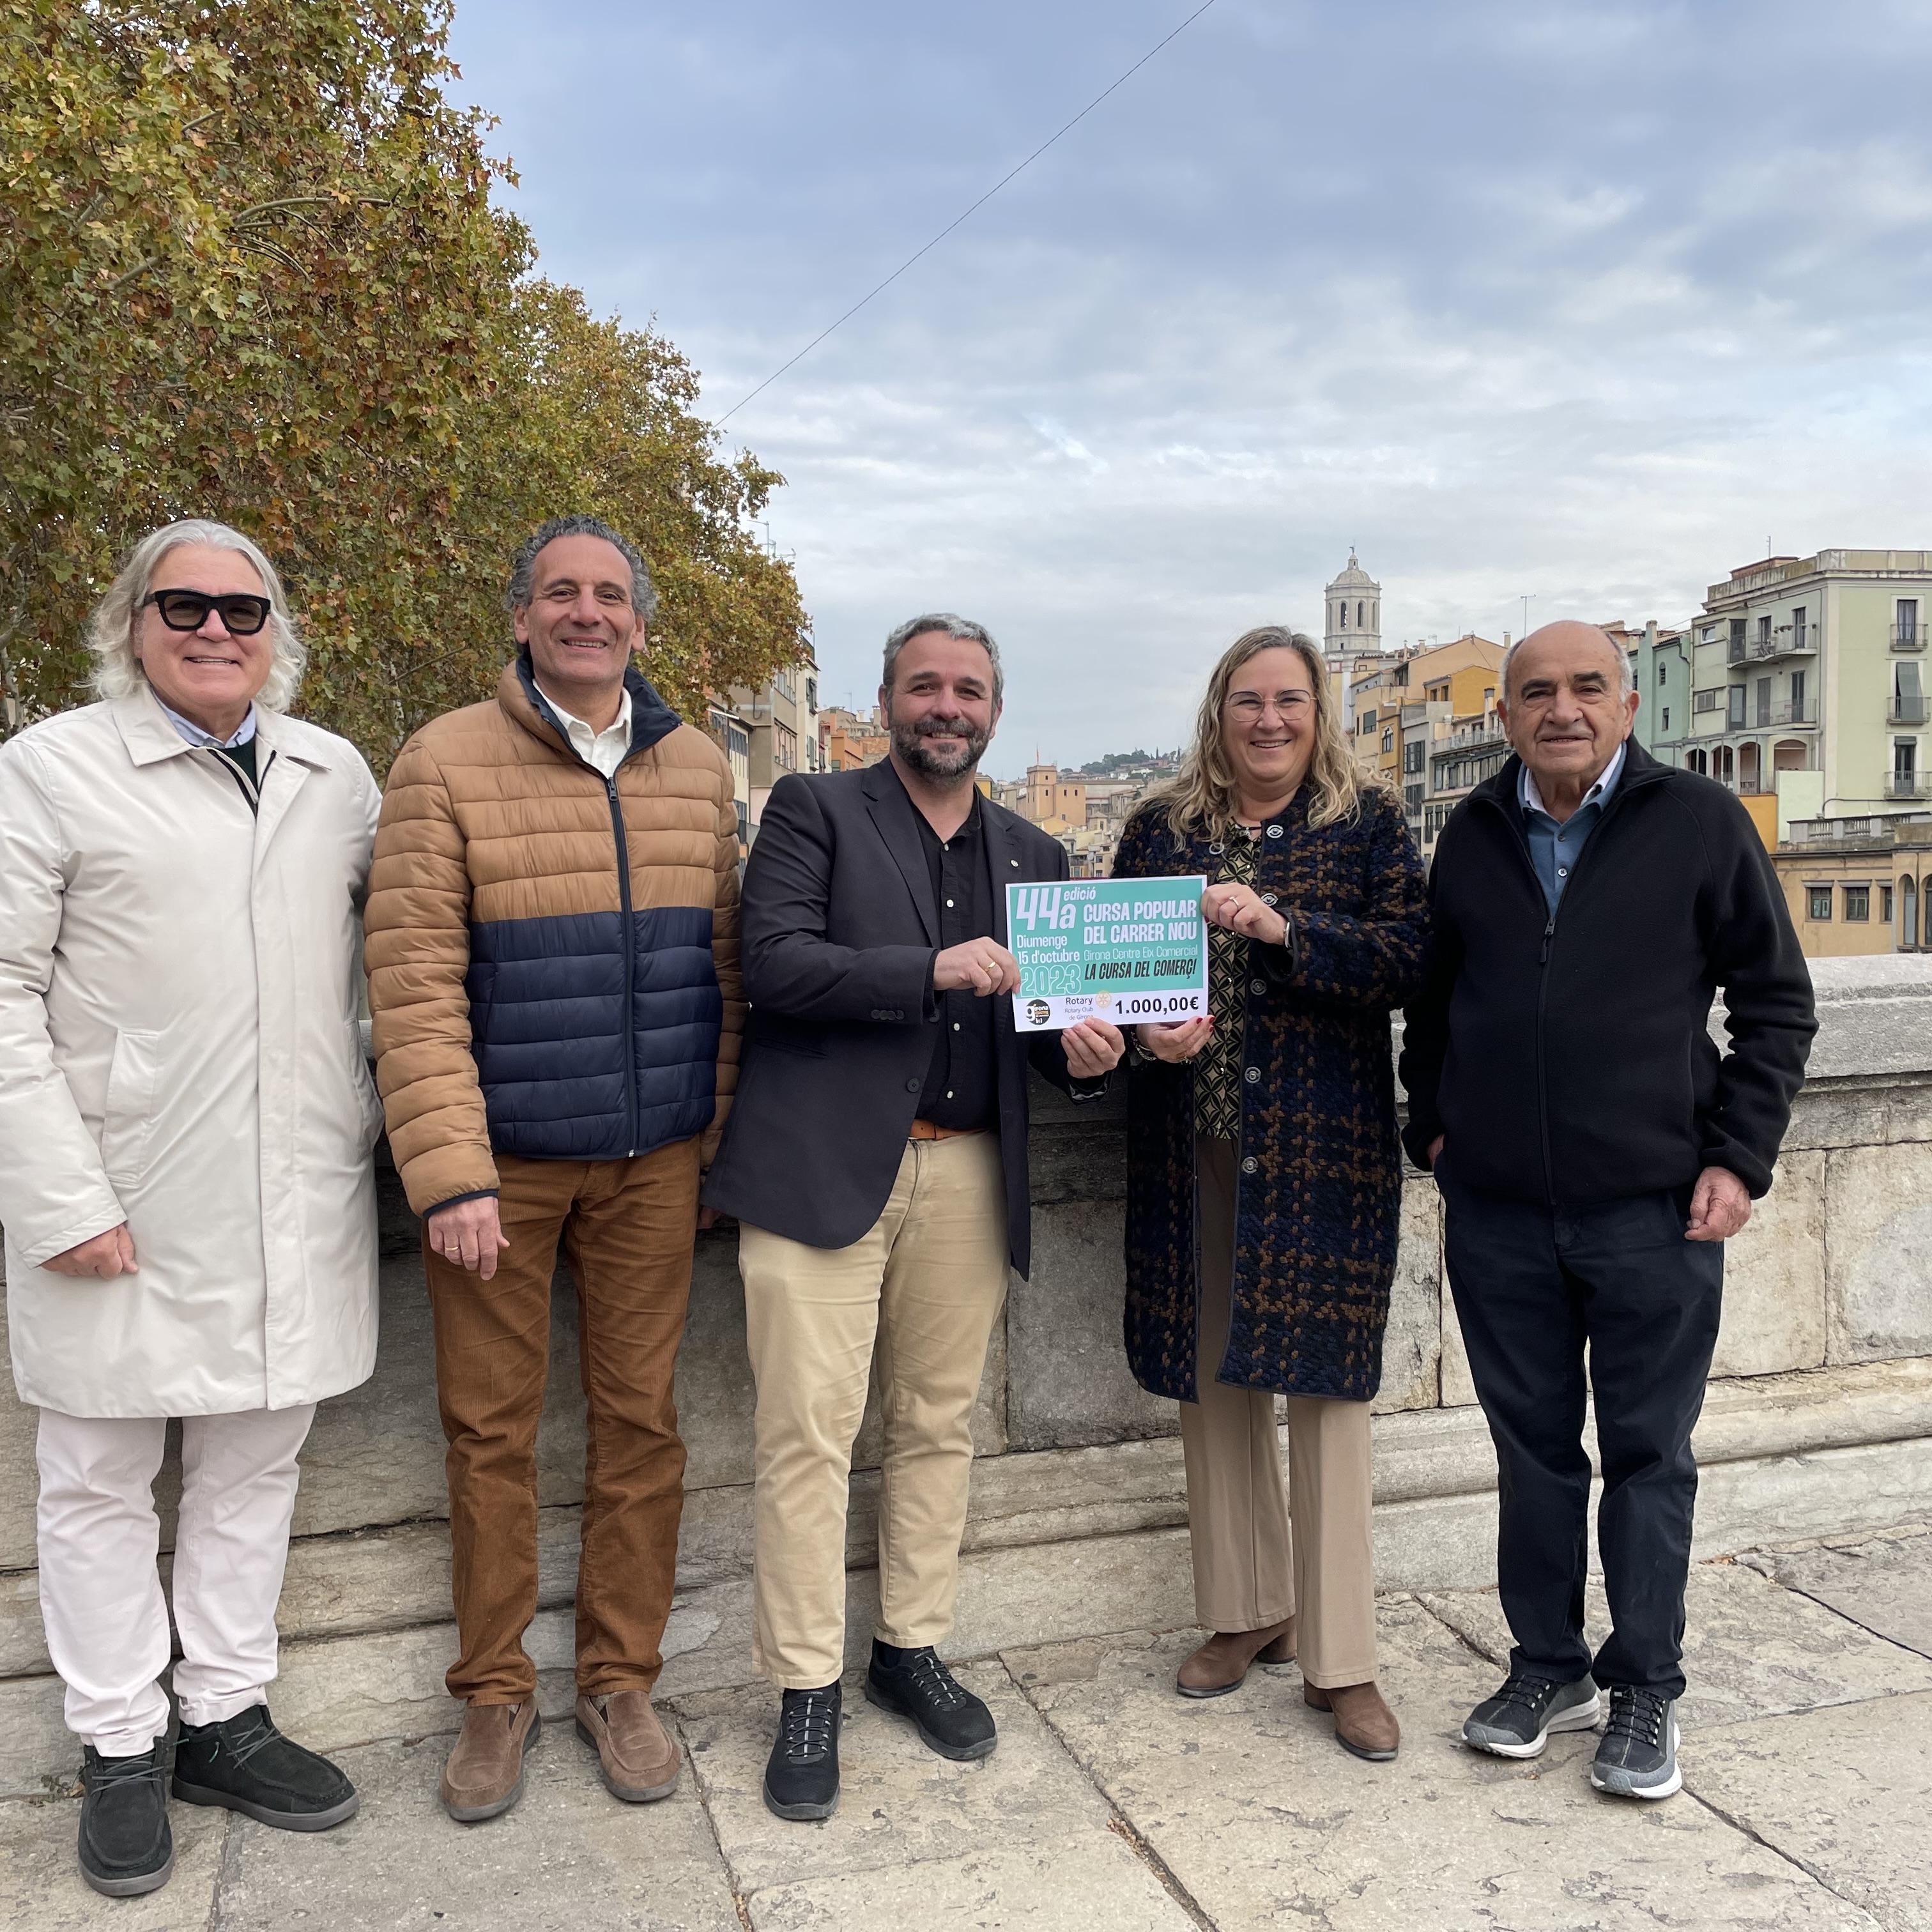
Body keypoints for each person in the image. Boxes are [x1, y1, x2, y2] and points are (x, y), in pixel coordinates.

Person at [0, 521, 380, 1897]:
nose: (216, 630)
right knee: (97, 1481)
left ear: (277, 631)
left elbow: (380, 970)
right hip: (117, 1196)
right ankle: (118, 1743)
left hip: (292, 1189)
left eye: (244, 607)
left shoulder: (337, 774)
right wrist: (60, 1199)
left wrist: (379, 1119)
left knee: (252, 1467)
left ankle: (222, 1713)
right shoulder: (47, 770)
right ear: (133, 622)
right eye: (186, 606)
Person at [703, 613, 1125, 1822]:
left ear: (997, 712)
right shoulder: (811, 812)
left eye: (971, 690)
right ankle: (805, 1687)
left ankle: (909, 1650)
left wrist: (1095, 1057)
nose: (949, 706)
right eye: (926, 686)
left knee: (938, 1428)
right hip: (821, 1172)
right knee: (806, 1436)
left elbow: (1049, 1043)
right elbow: (774, 964)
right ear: (886, 699)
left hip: (970, 1173)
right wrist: (930, 970)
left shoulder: (1038, 853)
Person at [364, 514, 744, 1823]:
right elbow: (409, 983)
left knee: (644, 1428)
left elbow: (727, 971)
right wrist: (452, 1173)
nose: (588, 613)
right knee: (490, 1435)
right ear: (520, 619)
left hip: (655, 1162)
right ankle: (493, 1691)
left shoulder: (698, 766)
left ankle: (618, 1679)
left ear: (641, 625)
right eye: (561, 595)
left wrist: (713, 1134)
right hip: (505, 1170)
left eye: (610, 596)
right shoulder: (444, 761)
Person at [1400, 620, 1815, 1800]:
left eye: (1588, 687)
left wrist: (1738, 1156)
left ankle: (1646, 1688)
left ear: (1629, 707)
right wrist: (1426, 1120)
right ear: (1508, 716)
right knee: (1530, 1452)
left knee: (1646, 1454)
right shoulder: (1473, 834)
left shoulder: (1697, 824)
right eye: (1537, 692)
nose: (1562, 709)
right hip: (1498, 1211)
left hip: (1653, 1210)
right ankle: (1547, 1664)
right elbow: (1438, 1003)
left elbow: (1776, 1005)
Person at [1112, 625, 1426, 1761]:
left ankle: (1345, 1662)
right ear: (1218, 712)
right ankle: (1249, 1612)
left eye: (1290, 700)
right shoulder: (1161, 829)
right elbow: (1111, 968)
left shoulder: (1367, 824)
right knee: (1215, 1379)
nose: (1270, 721)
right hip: (1191, 1142)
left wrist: (1288, 931)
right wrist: (1148, 1033)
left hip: (1321, 1150)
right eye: (1249, 700)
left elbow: (1411, 958)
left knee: (1330, 1397)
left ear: (1319, 712)